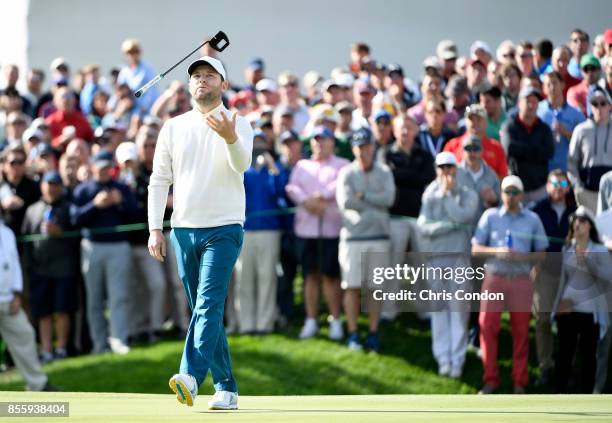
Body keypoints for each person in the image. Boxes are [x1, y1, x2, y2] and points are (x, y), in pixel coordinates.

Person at [147, 56, 253, 410]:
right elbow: (160, 180)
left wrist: (230, 137)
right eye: (196, 76)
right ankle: (226, 386)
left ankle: (190, 376)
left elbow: (242, 165)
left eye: (210, 76)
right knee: (201, 311)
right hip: (183, 230)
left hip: (224, 228)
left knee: (208, 303)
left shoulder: (239, 123)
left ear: (223, 85)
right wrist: (155, 229)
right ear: (190, 85)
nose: (202, 81)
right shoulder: (173, 127)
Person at [472, 175, 548, 394]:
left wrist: (522, 259)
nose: (510, 196)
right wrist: (497, 251)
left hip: (521, 280)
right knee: (487, 328)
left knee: (521, 331)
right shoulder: (490, 216)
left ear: (521, 195)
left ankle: (519, 382)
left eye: (515, 192)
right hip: (494, 277)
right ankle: (490, 380)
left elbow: (542, 253)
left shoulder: (532, 219)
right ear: (502, 193)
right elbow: (475, 249)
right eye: (507, 191)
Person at [418, 152, 478, 378]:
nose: (446, 172)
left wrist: (447, 197)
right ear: (436, 169)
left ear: (456, 169)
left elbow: (463, 217)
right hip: (436, 257)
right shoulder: (429, 193)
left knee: (459, 310)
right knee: (439, 310)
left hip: (459, 258)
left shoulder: (467, 193)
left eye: (450, 168)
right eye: (442, 168)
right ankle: (442, 358)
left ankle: (457, 359)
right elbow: (424, 227)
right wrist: (448, 226)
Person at [285, 125, 348, 341]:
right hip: (305, 230)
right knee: (310, 275)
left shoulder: (342, 164)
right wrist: (306, 201)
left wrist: (322, 195)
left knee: (331, 277)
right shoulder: (302, 165)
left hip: (331, 230)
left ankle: (336, 320)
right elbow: (292, 188)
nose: (320, 143)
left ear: (332, 142)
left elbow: (340, 183)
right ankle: (311, 320)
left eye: (324, 139)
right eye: (316, 140)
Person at [71, 150, 136, 355]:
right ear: (92, 168)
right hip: (92, 247)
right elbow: (75, 220)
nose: (104, 171)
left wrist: (121, 203)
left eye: (108, 167)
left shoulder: (122, 188)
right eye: (100, 167)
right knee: (94, 300)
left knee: (118, 297)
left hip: (118, 247)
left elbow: (136, 215)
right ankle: (99, 344)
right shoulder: (83, 190)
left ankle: (118, 340)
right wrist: (95, 205)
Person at [336, 127, 395, 351]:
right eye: (360, 147)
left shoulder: (384, 171)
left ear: (373, 147)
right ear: (354, 148)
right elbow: (346, 202)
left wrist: (364, 196)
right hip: (353, 238)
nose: (364, 151)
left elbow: (389, 198)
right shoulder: (346, 173)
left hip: (378, 236)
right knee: (351, 287)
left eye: (367, 146)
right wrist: (373, 202)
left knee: (375, 287)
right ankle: (353, 333)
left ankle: (373, 332)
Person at [551, 206, 612, 393]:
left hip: (590, 314)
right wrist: (556, 307)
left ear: (590, 227)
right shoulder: (567, 248)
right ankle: (558, 398)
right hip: (568, 310)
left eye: (582, 221)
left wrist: (589, 263)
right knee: (564, 356)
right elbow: (563, 281)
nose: (577, 224)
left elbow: (608, 278)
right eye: (575, 220)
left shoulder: (600, 250)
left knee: (588, 358)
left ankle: (588, 399)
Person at [21, 171, 79, 363]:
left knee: (62, 310)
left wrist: (61, 232)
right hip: (39, 269)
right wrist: (30, 266)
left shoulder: (69, 208)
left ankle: (61, 348)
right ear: (42, 186)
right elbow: (26, 239)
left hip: (64, 268)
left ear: (61, 187)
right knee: (43, 312)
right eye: (49, 183)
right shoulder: (32, 210)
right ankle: (46, 350)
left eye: (56, 184)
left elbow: (78, 238)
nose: (52, 187)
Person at [529, 170, 576, 386]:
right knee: (543, 320)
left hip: (571, 275)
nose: (558, 186)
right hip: (544, 271)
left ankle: (568, 369)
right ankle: (545, 366)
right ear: (547, 186)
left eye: (562, 182)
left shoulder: (576, 212)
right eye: (554, 182)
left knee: (569, 324)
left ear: (568, 186)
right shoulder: (537, 210)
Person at [0, 218, 57, 391]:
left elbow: (15, 265)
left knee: (25, 334)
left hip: (9, 299)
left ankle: (37, 385)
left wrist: (17, 293)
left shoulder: (7, 232)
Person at [500, 86, 554, 205]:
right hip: (516, 188)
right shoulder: (509, 126)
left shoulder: (544, 128)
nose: (531, 105)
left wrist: (522, 149)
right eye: (528, 101)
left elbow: (549, 152)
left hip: (539, 188)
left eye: (535, 102)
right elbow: (509, 149)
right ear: (519, 103)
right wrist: (536, 150)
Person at [568, 87, 612, 213]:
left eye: (603, 103)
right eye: (594, 104)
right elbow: (572, 161)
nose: (599, 108)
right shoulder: (581, 130)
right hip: (587, 192)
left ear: (609, 106)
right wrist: (577, 187)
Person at [537, 71, 585, 172]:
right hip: (544, 170)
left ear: (562, 85)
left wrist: (567, 133)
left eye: (554, 83)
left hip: (569, 169)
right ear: (543, 89)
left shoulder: (576, 114)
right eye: (548, 84)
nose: (552, 87)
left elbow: (585, 142)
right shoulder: (538, 111)